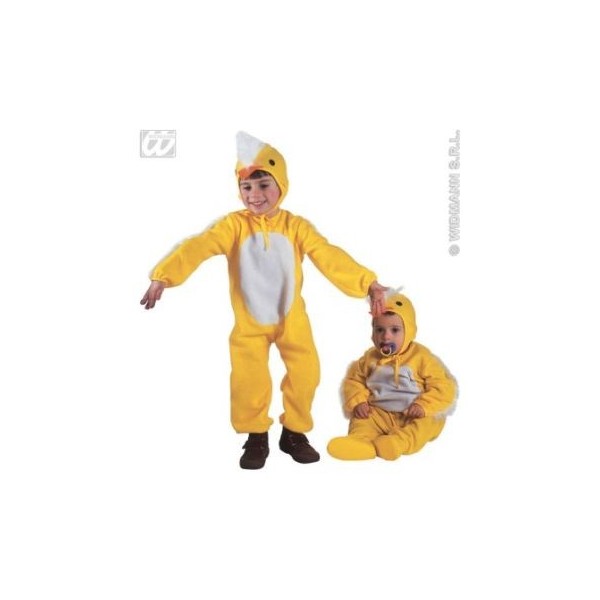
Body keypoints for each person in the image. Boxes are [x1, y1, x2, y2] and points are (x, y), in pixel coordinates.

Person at [141, 131, 388, 469]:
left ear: (281, 185)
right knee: (249, 380)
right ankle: (256, 435)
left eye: (263, 185)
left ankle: (294, 433)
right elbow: (197, 246)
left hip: (292, 321)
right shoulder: (233, 226)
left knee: (307, 373)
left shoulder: (296, 227)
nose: (254, 195)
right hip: (249, 325)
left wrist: (367, 283)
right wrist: (164, 275)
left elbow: (329, 256)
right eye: (246, 187)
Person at [327, 291, 457, 461]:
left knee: (429, 422)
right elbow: (354, 380)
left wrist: (423, 406)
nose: (386, 336)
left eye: (395, 330)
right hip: (379, 412)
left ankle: (398, 443)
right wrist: (358, 401)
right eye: (379, 329)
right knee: (362, 419)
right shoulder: (369, 358)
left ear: (409, 331)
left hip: (412, 414)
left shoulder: (422, 357)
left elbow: (443, 386)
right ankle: (361, 443)